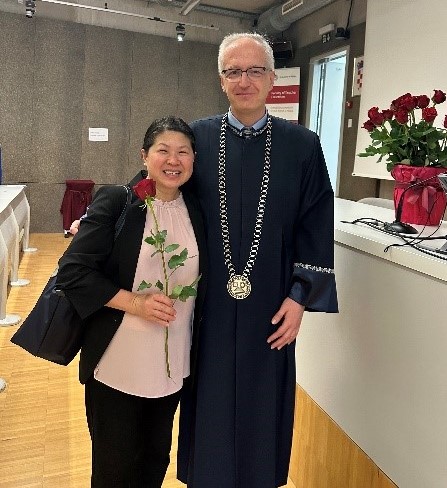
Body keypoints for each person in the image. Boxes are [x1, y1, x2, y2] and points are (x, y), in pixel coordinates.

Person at [176, 33, 338, 488]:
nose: (243, 80)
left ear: (271, 78)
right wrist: (107, 215)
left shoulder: (302, 145)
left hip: (271, 300)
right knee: (207, 395)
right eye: (233, 71)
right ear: (221, 80)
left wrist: (301, 297)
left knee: (264, 400)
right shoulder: (196, 138)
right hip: (207, 302)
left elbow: (315, 223)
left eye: (254, 71)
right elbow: (157, 186)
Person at [56, 116, 207, 488]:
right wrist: (136, 304)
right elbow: (73, 271)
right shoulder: (118, 201)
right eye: (163, 150)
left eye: (183, 152)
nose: (173, 160)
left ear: (193, 159)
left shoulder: (198, 209)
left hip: (172, 365)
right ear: (144, 156)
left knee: (155, 461)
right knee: (115, 469)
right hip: (117, 361)